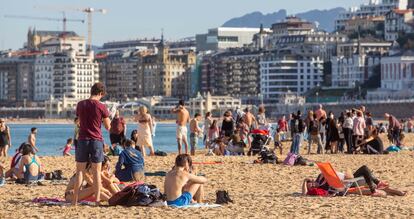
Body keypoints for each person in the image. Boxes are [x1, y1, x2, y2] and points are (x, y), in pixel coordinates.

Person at [73, 82, 111, 206]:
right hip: (96, 140)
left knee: (79, 171)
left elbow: (78, 121)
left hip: (83, 140)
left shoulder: (80, 104)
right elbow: (108, 127)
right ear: (100, 93)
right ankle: (97, 200)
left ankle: (74, 201)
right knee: (96, 172)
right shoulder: (101, 106)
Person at [302, 165, 407, 197]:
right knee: (365, 170)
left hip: (348, 178)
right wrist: (304, 182)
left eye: (309, 183)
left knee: (367, 174)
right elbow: (305, 193)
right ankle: (379, 186)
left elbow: (330, 171)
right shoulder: (321, 188)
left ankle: (397, 191)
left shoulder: (320, 176)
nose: (311, 184)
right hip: (348, 183)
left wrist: (308, 179)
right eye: (311, 186)